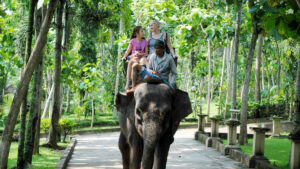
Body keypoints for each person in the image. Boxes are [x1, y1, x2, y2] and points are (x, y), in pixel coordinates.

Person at [122, 26, 149, 91]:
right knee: (131, 62)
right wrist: (124, 56)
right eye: (142, 31)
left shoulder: (145, 41)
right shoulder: (133, 41)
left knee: (145, 60)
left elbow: (146, 53)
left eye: (143, 31)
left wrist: (140, 54)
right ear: (137, 34)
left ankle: (149, 76)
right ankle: (127, 83)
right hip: (134, 57)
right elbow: (128, 50)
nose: (143, 32)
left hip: (142, 57)